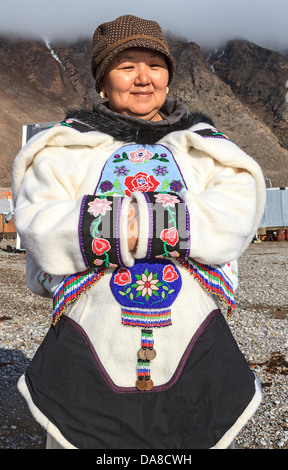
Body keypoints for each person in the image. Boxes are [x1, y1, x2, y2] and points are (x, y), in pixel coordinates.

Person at [12, 15, 266, 449]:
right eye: (126, 65)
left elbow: (236, 216)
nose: (144, 78)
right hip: (88, 336)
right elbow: (38, 223)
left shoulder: (208, 147)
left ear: (169, 74)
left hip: (194, 335)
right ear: (102, 79)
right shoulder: (63, 149)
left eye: (155, 65)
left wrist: (130, 225)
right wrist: (178, 227)